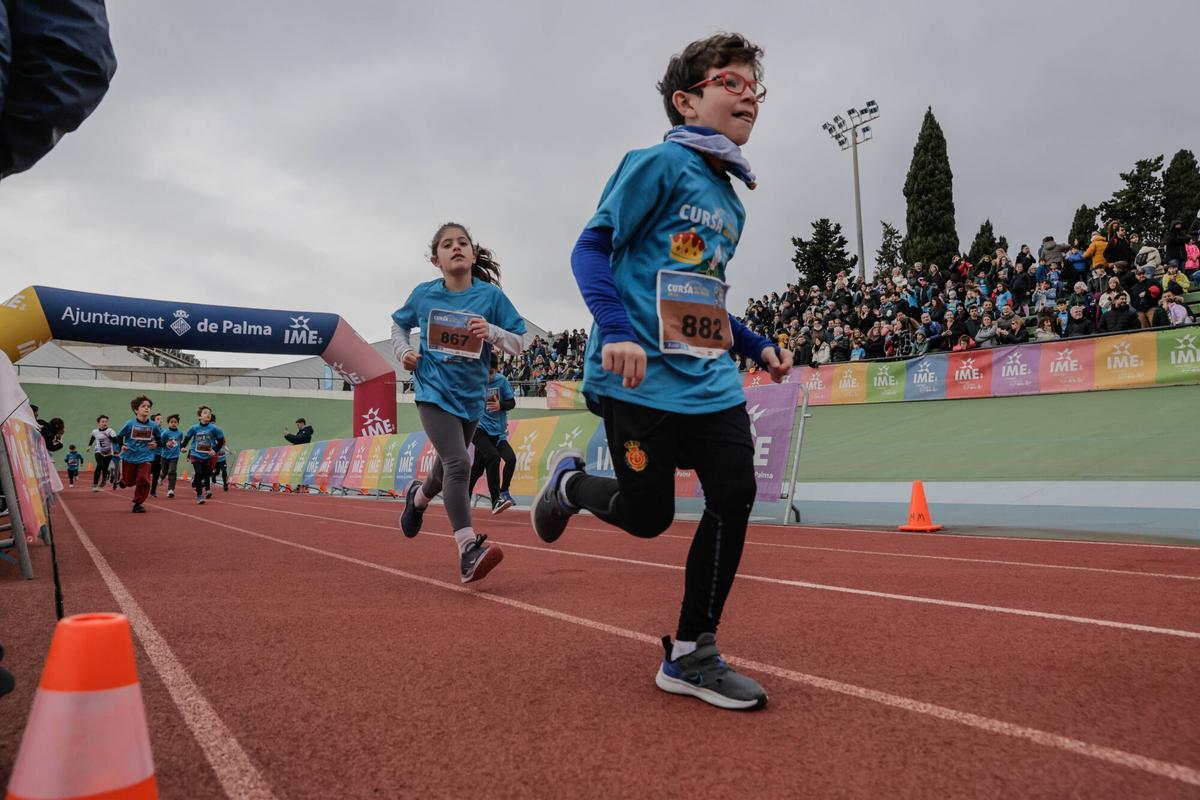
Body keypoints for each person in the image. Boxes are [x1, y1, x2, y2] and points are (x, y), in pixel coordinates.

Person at [534, 33, 792, 711]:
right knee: (648, 518)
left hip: (708, 379)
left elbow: (698, 291)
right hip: (638, 376)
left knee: (734, 493)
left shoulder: (733, 201)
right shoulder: (654, 164)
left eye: (754, 87)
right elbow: (590, 251)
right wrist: (616, 331)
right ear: (686, 100)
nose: (748, 97)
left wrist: (755, 343)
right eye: (729, 83)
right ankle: (570, 486)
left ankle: (691, 652)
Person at [391, 221, 527, 584]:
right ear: (435, 259)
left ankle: (418, 499)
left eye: (463, 242)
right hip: (433, 392)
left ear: (472, 252)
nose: (456, 247)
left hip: (472, 400)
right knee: (457, 463)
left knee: (442, 470)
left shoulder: (491, 298)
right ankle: (468, 549)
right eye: (447, 244)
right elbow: (398, 326)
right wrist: (404, 351)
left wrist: (493, 332)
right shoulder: (424, 294)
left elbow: (520, 341)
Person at [468, 355, 518, 514]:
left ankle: (504, 491)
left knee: (508, 459)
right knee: (493, 457)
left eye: (490, 373)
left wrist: (500, 405)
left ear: (496, 370)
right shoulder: (475, 381)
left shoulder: (501, 381)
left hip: (498, 433)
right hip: (479, 429)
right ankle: (496, 499)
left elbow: (512, 403)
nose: (487, 377)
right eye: (484, 373)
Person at [114, 395, 161, 513]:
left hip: (146, 457)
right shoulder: (129, 424)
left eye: (148, 406)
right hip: (129, 456)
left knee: (144, 479)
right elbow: (119, 437)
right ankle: (124, 481)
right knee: (130, 481)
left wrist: (156, 444)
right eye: (143, 406)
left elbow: (160, 441)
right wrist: (122, 446)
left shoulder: (153, 426)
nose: (146, 408)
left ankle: (138, 503)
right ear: (136, 410)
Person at [181, 405, 224, 505]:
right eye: (205, 413)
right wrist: (182, 447)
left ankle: (195, 482)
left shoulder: (215, 429)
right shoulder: (194, 428)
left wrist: (214, 450)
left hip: (208, 456)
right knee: (199, 472)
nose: (208, 414)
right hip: (196, 454)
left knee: (205, 475)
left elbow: (221, 441)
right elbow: (186, 439)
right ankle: (200, 496)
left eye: (209, 413)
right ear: (199, 416)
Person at [154, 414, 184, 498]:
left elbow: (180, 443)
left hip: (174, 456)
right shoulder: (165, 433)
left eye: (175, 422)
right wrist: (166, 444)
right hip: (164, 456)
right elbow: (160, 442)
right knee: (164, 471)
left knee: (172, 471)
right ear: (168, 423)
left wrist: (182, 448)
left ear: (178, 423)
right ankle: (161, 477)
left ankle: (171, 490)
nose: (173, 423)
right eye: (171, 422)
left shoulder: (180, 433)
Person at [86, 414, 117, 492]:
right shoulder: (95, 431)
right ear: (98, 423)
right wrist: (89, 446)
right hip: (99, 451)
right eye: (102, 421)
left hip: (109, 452)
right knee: (99, 465)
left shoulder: (110, 431)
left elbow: (116, 441)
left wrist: (108, 436)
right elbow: (93, 437)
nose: (104, 423)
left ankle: (104, 479)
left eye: (106, 421)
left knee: (105, 468)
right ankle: (95, 485)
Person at [210, 413, 230, 491]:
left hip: (222, 458)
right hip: (214, 458)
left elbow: (224, 444)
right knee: (216, 471)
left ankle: (225, 485)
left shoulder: (219, 432)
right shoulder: (209, 435)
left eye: (212, 422)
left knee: (224, 471)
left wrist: (228, 451)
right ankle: (213, 476)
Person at [148, 412, 164, 497]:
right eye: (158, 419)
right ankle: (144, 489)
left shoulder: (164, 431)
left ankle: (153, 491)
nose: (160, 421)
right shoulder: (149, 431)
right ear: (153, 421)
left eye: (161, 419)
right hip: (149, 455)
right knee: (147, 473)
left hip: (159, 455)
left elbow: (165, 442)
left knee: (156, 474)